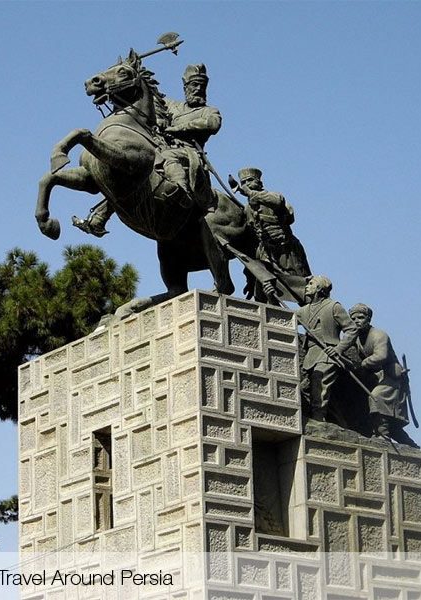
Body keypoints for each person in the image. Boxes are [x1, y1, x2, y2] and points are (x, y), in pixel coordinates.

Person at [74, 64, 222, 236]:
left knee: (167, 156)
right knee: (134, 165)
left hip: (188, 152)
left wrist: (178, 128)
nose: (198, 89)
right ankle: (101, 216)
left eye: (201, 86)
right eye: (194, 85)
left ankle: (183, 193)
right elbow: (150, 105)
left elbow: (213, 123)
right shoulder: (172, 106)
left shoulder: (208, 111)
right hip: (162, 145)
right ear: (185, 87)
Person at [230, 167, 311, 300]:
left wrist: (251, 193)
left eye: (250, 180)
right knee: (264, 288)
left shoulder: (273, 196)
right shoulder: (247, 209)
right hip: (266, 252)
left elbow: (278, 204)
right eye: (243, 183)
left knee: (303, 288)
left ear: (258, 181)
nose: (246, 185)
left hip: (286, 249)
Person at [348, 303, 419, 448]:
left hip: (392, 376)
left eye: (360, 317)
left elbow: (381, 356)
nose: (357, 321)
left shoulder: (379, 335)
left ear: (368, 319)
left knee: (376, 396)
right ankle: (410, 445)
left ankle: (383, 435)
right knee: (393, 425)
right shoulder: (356, 337)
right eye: (353, 318)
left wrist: (362, 364)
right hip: (376, 375)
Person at [297, 276, 358, 423]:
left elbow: (352, 329)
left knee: (319, 384)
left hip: (328, 353)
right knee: (305, 387)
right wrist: (269, 294)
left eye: (310, 284)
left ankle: (318, 420)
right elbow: (283, 318)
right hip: (311, 355)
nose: (306, 287)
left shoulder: (333, 306)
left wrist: (338, 349)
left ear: (319, 288)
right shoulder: (304, 311)